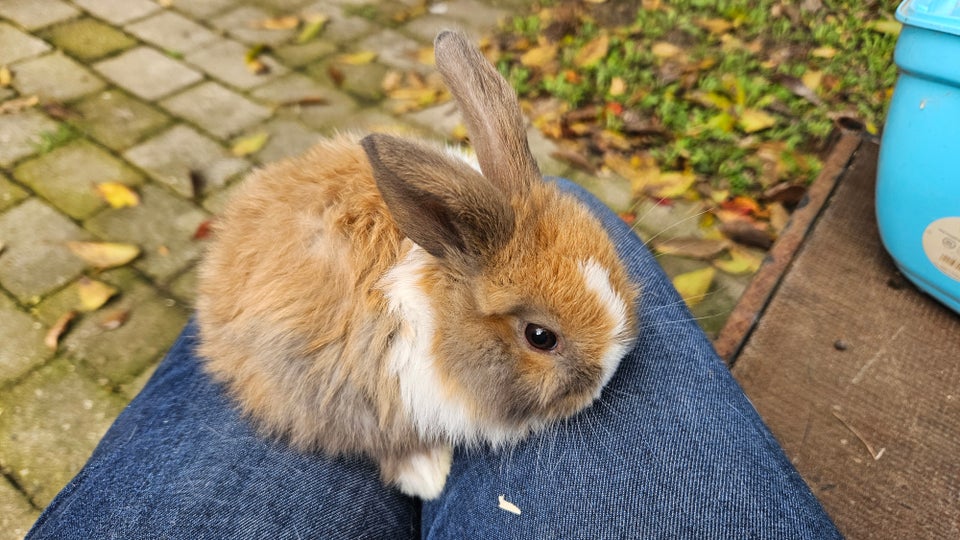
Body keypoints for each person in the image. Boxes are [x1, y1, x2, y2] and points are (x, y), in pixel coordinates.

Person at [27, 179, 841, 539]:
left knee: (558, 200)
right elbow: (295, 375)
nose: (598, 380)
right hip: (278, 324)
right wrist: (402, 441)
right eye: (545, 342)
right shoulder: (406, 347)